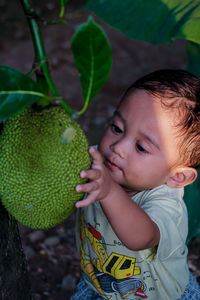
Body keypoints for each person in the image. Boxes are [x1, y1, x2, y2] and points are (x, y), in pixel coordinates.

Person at [71, 69, 200, 300]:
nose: (118, 147)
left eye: (141, 147)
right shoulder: (99, 169)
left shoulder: (167, 206)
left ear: (176, 177)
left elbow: (140, 237)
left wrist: (108, 191)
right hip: (100, 288)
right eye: (117, 128)